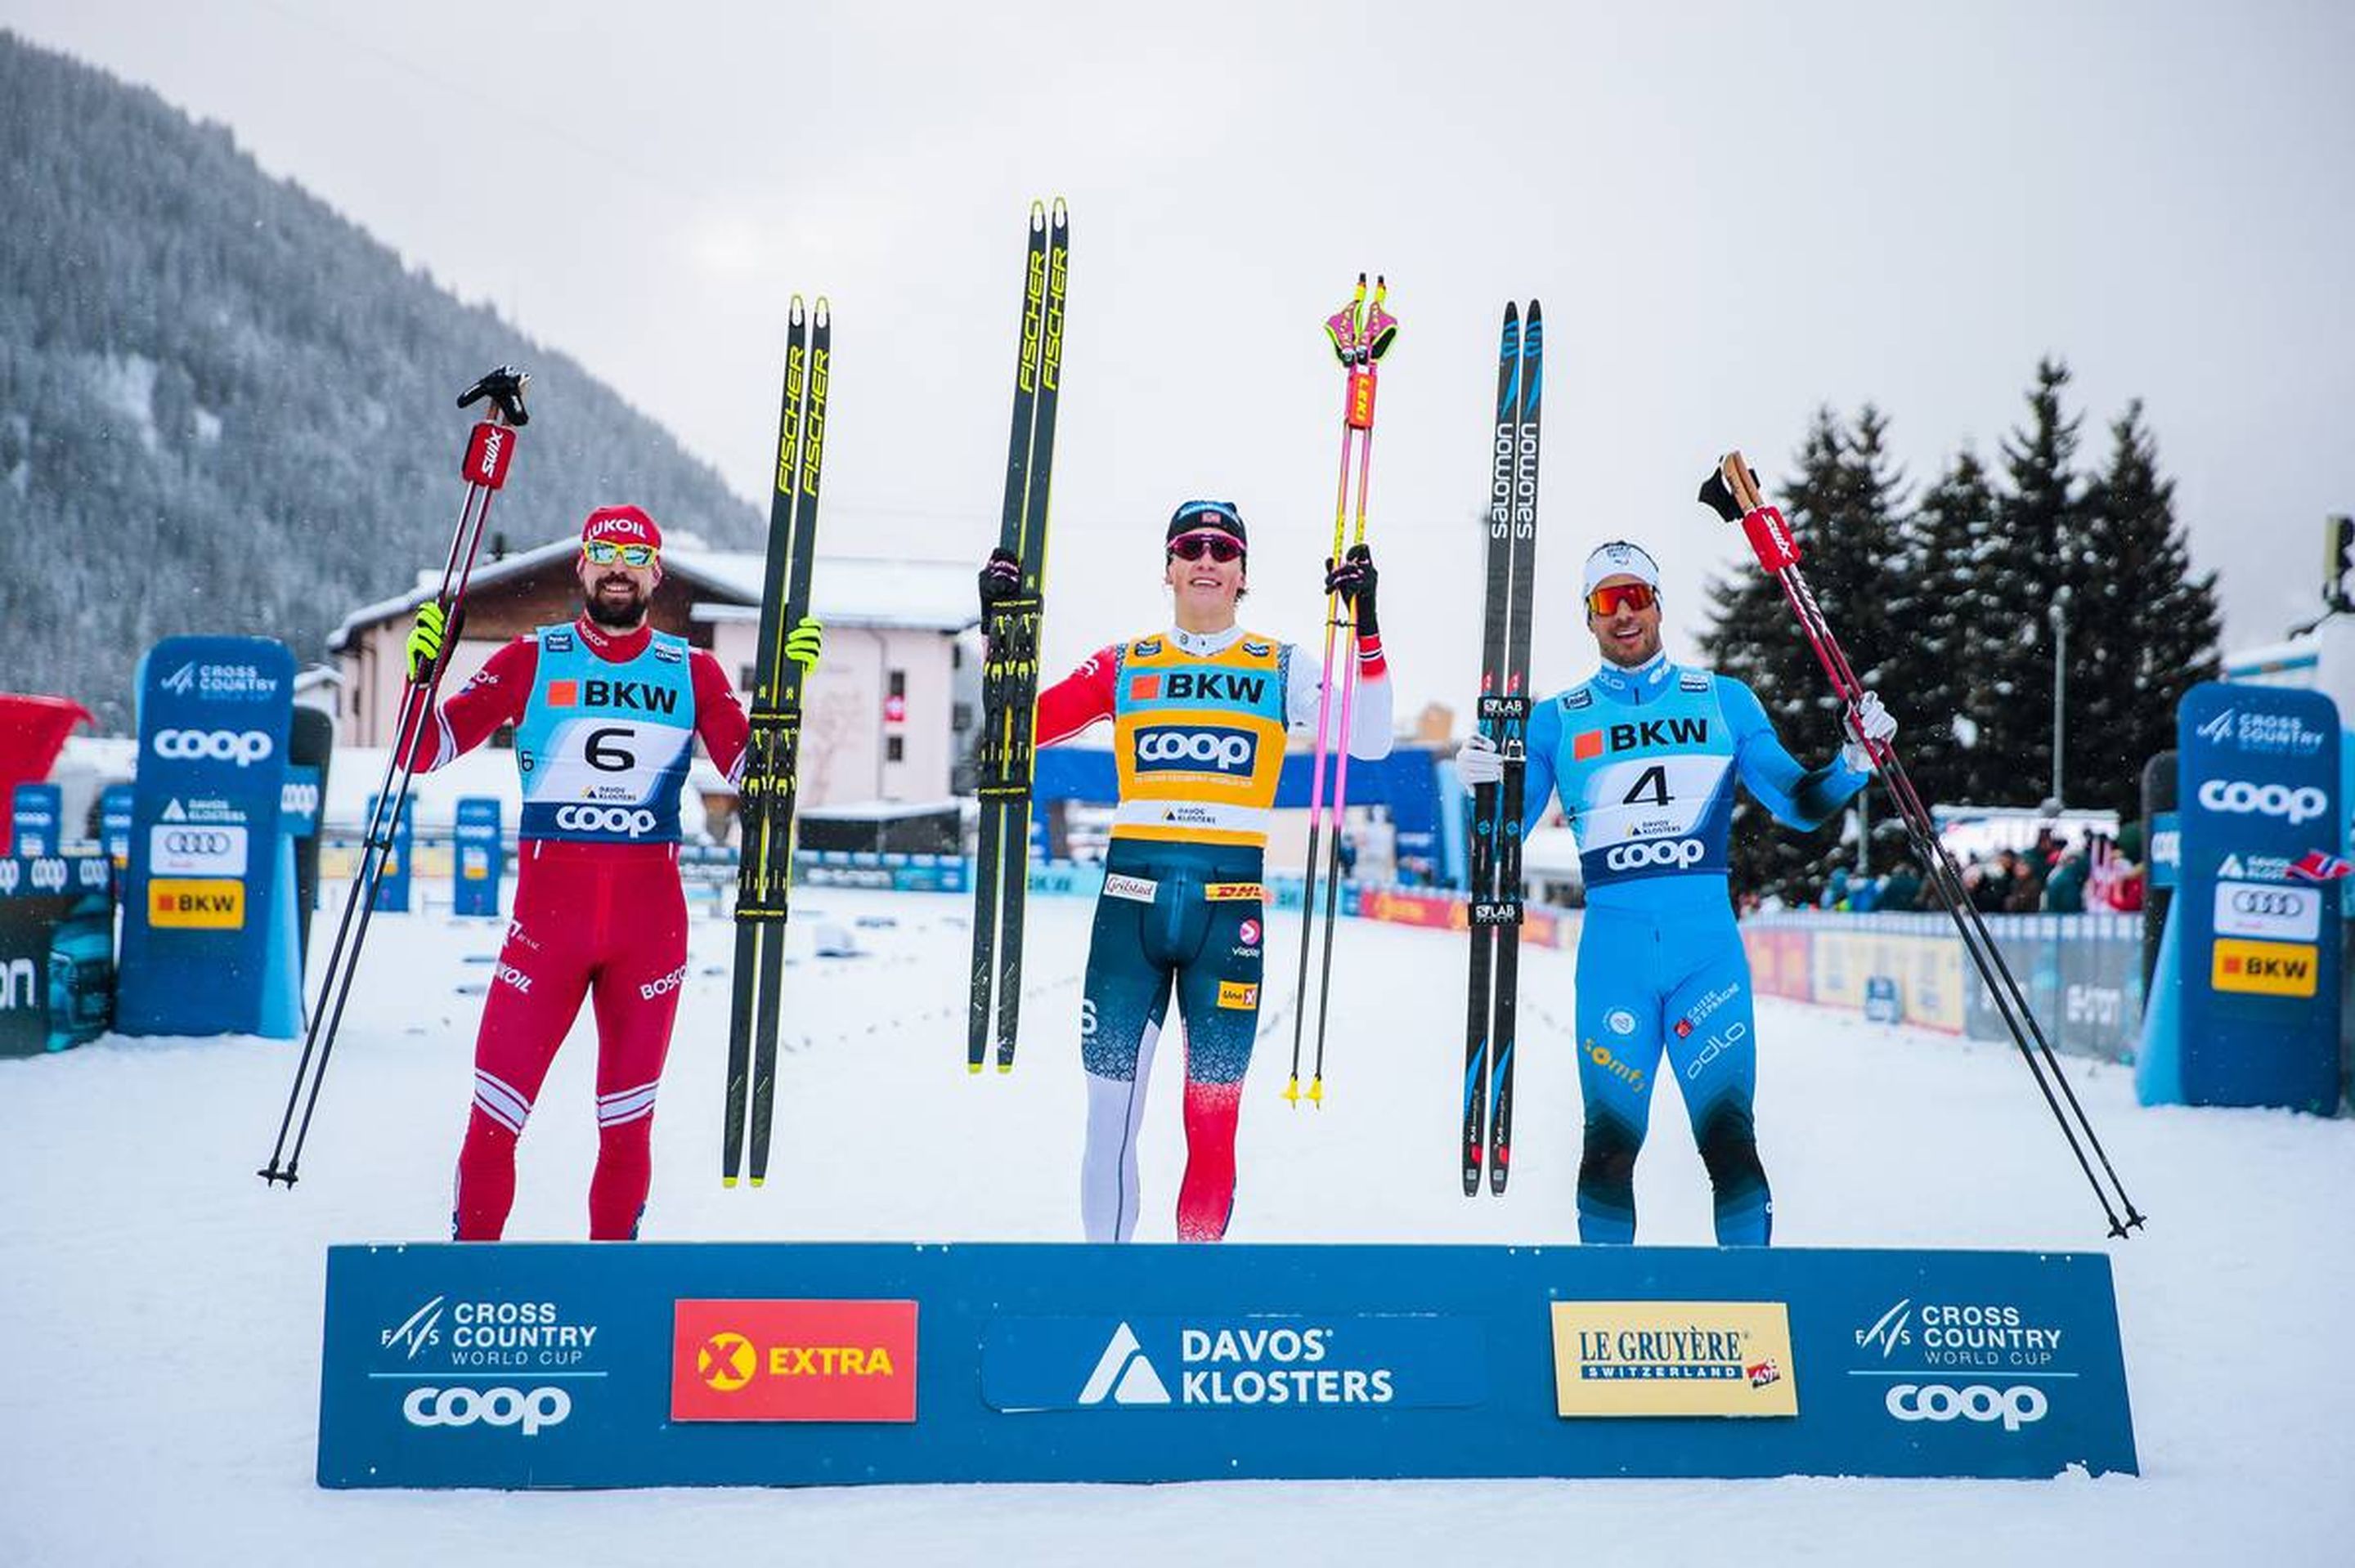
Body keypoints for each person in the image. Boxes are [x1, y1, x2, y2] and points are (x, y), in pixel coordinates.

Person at [399, 504, 821, 1240]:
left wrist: (787, 693)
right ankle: (468, 1280)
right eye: (605, 553)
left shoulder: (693, 670)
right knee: (495, 1120)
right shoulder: (534, 657)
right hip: (544, 936)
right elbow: (422, 751)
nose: (618, 569)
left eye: (635, 556)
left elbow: (762, 782)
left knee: (626, 1131)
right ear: (582, 566)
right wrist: (419, 678)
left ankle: (610, 1294)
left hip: (648, 935)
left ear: (656, 572)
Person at [1456, 540, 1893, 1245]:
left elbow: (1799, 804)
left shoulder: (1723, 701)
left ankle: (1751, 1316)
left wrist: (1851, 763)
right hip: (1614, 961)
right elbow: (1501, 845)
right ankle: (1601, 1320)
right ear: (1589, 618)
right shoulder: (1557, 718)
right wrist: (1478, 789)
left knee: (1728, 1141)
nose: (1624, 614)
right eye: (1607, 602)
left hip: (1706, 958)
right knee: (1608, 1145)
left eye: (1636, 597)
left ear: (1659, 604)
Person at [982, 500, 1392, 1243]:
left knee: (1213, 1122)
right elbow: (1012, 730)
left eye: (1223, 549)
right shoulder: (1126, 662)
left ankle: (1188, 1297)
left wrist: (1364, 625)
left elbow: (1369, 739)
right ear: (1168, 568)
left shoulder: (1279, 665)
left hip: (1226, 913)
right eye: (1192, 547)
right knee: (1109, 1119)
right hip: (1128, 909)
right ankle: (1107, 1285)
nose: (1207, 559)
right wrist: (1000, 636)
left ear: (1242, 575)